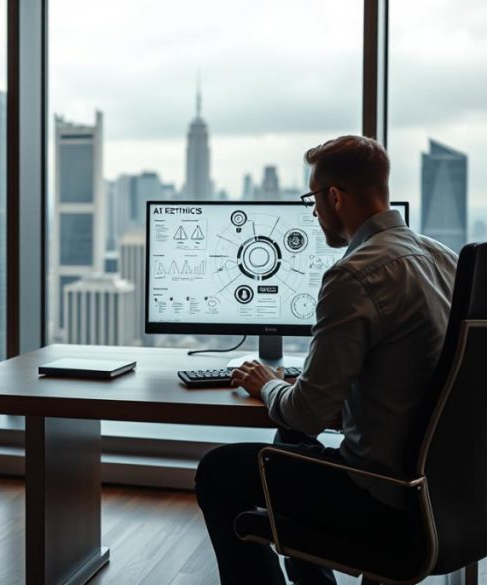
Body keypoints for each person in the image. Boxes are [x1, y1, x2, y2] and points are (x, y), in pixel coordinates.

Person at [194, 135, 459, 585]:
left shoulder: (354, 274)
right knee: (289, 440)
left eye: (312, 200)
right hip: (443, 488)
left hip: (382, 497)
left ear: (333, 197)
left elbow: (308, 411)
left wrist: (267, 383)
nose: (314, 212)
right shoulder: (443, 258)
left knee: (217, 472)